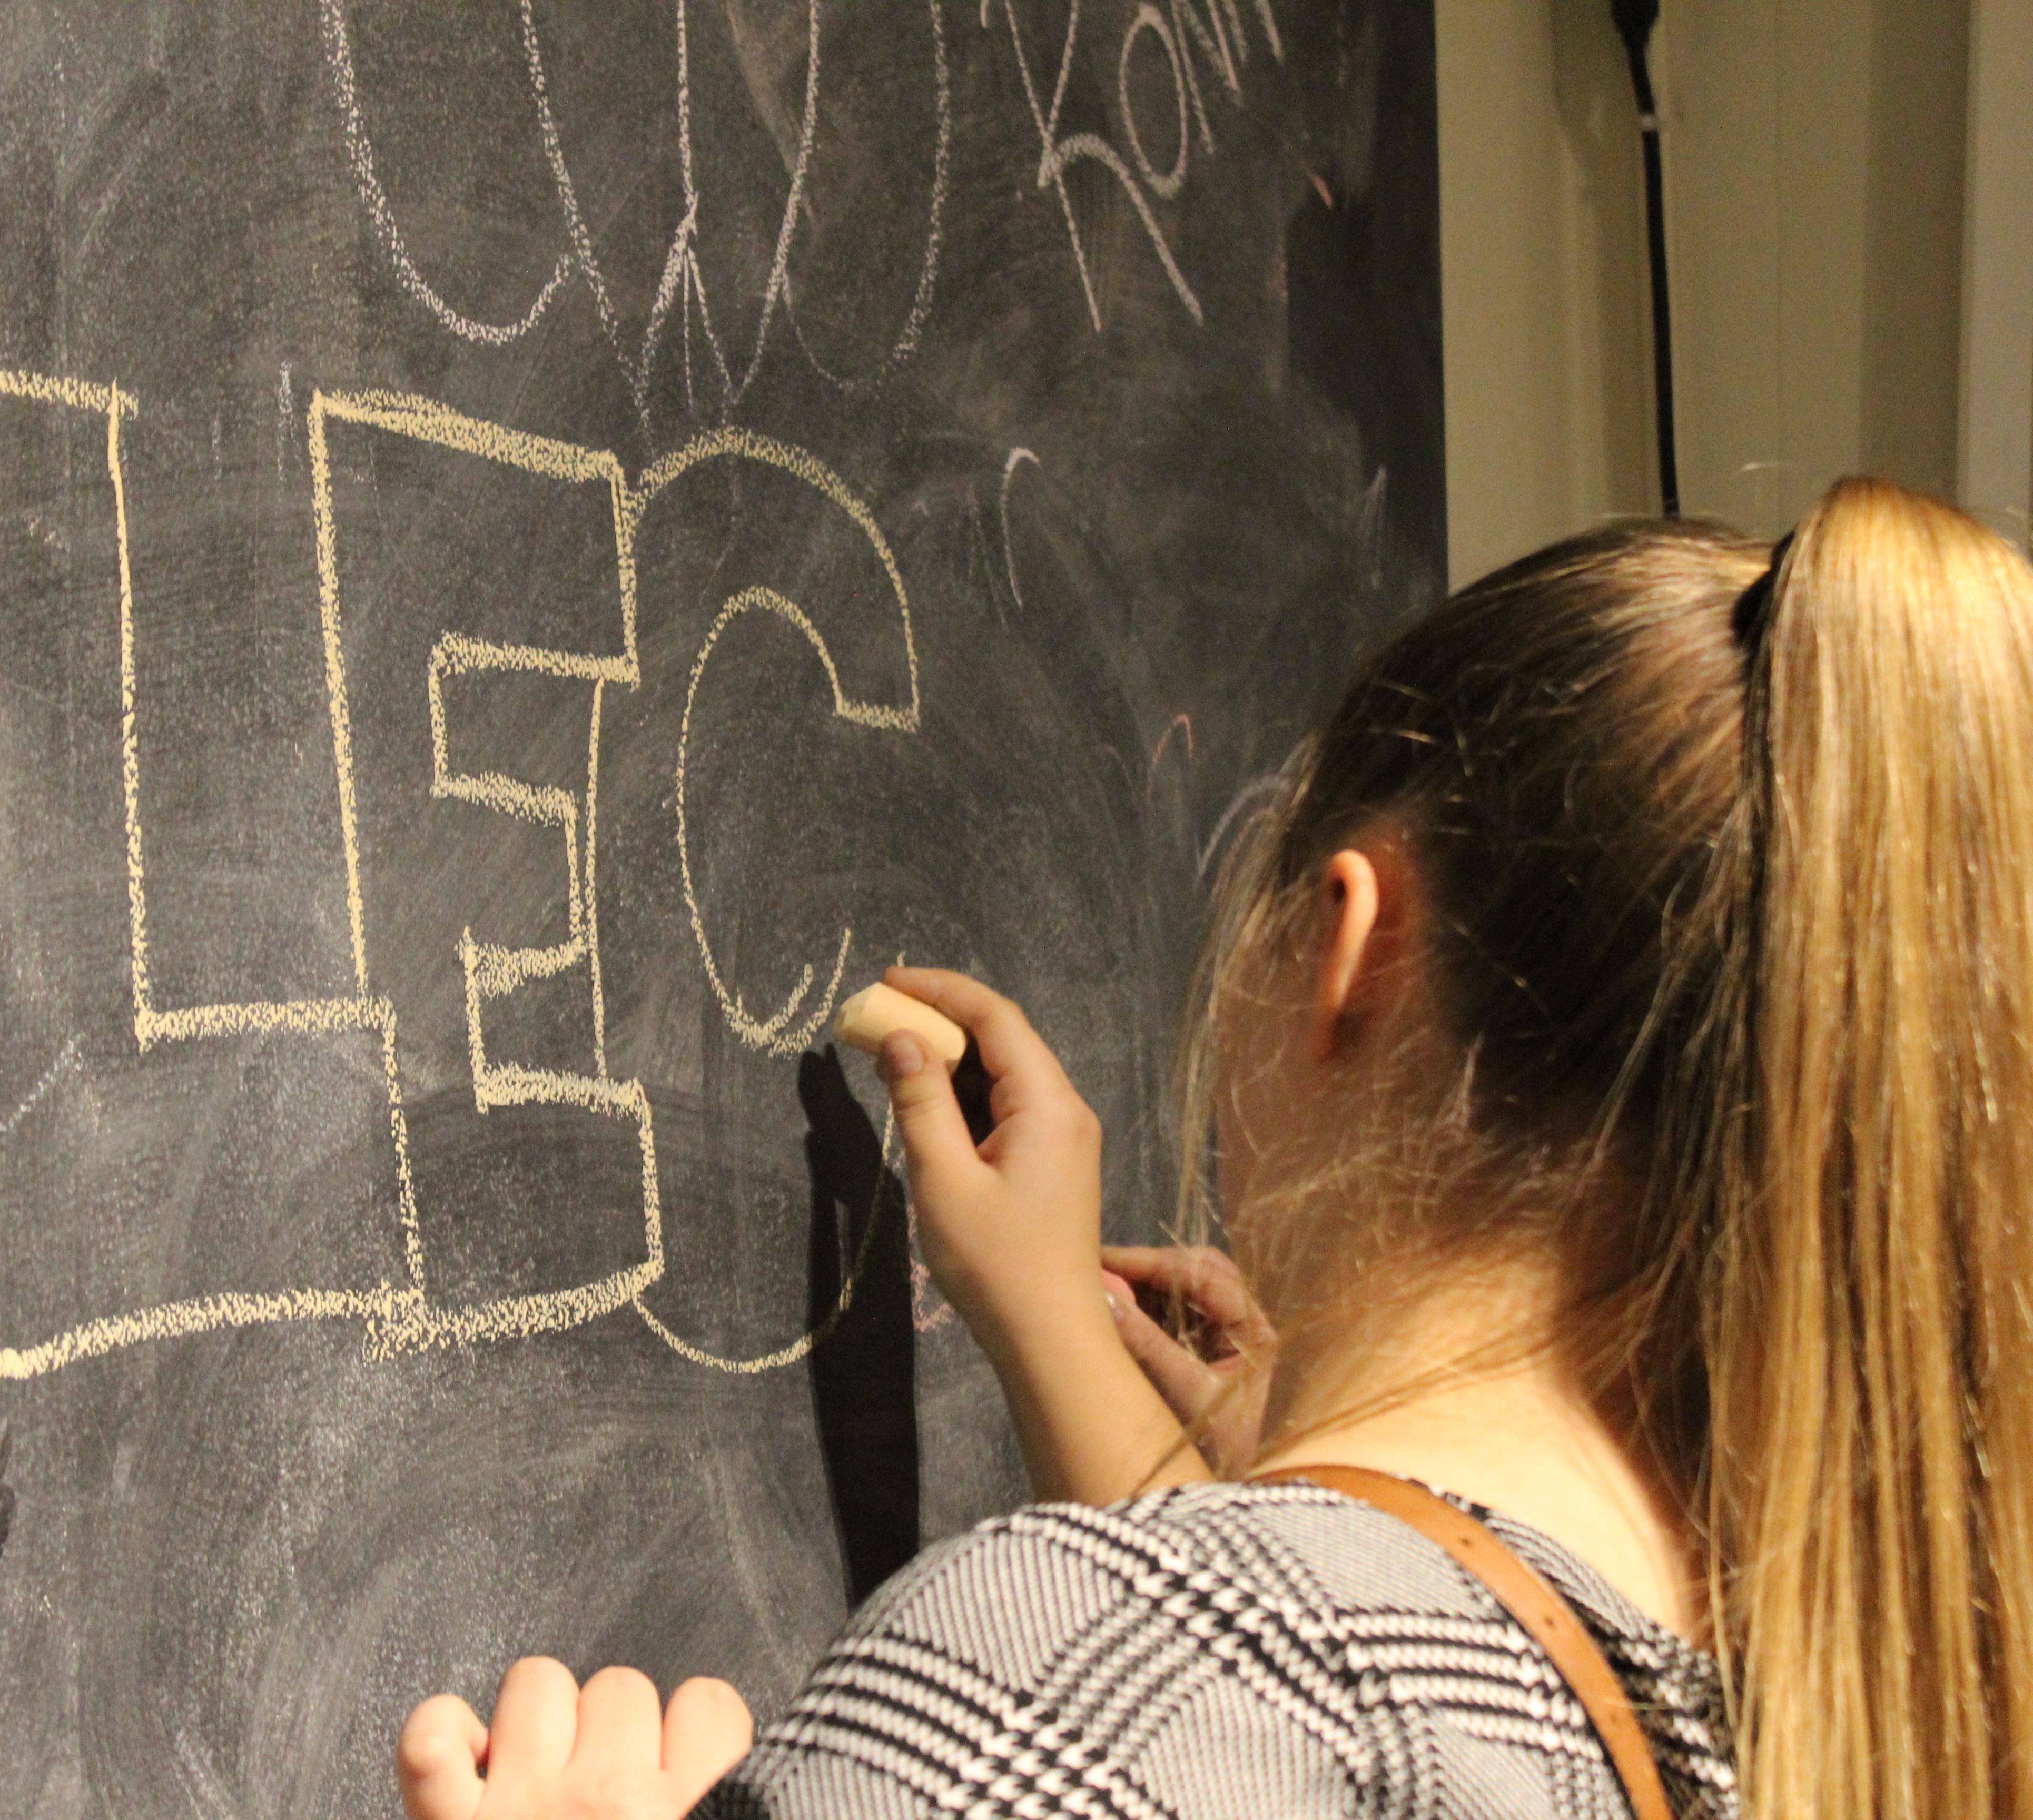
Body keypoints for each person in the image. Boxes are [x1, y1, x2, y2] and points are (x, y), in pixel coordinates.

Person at [395, 478, 2033, 1820]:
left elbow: (1194, 1692)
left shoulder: (1038, 1685)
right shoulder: (1819, 1704)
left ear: (1352, 941)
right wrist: (1057, 1333)